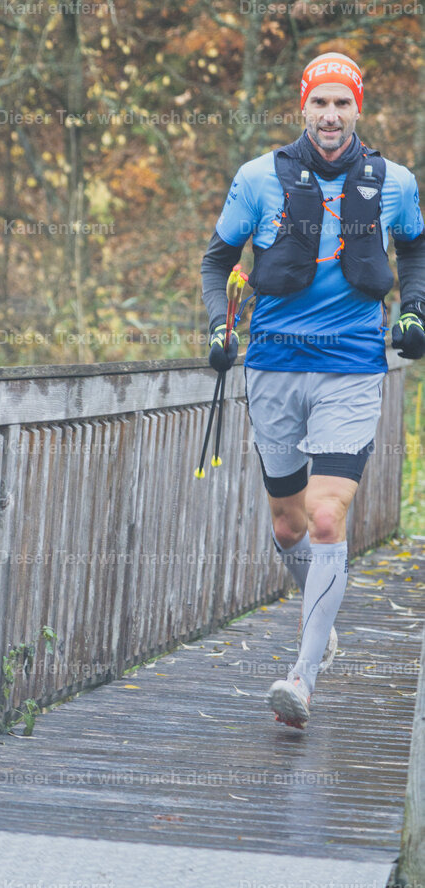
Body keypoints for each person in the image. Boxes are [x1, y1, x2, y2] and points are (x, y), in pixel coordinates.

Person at [201, 51, 425, 729]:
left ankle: (302, 676)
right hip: (273, 364)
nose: (331, 116)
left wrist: (413, 311)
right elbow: (217, 260)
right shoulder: (257, 178)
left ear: (359, 109)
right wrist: (219, 327)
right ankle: (320, 621)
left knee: (327, 517)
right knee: (288, 523)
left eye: (342, 103)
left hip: (352, 367)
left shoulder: (394, 183)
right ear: (304, 106)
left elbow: (415, 249)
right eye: (320, 103)